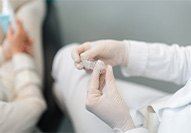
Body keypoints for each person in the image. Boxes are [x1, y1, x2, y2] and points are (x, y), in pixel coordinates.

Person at [52, 39, 191, 133]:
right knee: (66, 57)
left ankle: (65, 100)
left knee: (64, 68)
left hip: (132, 127)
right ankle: (65, 99)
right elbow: (185, 60)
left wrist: (124, 126)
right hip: (156, 109)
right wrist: (125, 52)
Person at [0, 0, 46, 132]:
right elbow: (35, 106)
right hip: (17, 87)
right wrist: (19, 54)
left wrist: (6, 50)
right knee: (30, 9)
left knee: (3, 5)